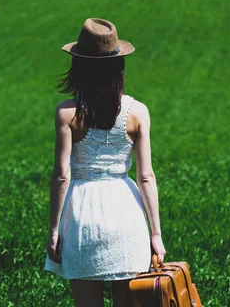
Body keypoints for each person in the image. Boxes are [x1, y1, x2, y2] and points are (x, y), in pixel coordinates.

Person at [44, 18, 166, 307]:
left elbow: (61, 176)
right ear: (118, 67)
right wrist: (156, 234)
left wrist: (53, 231)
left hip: (83, 217)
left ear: (79, 67)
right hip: (128, 216)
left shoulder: (67, 114)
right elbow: (146, 176)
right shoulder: (139, 112)